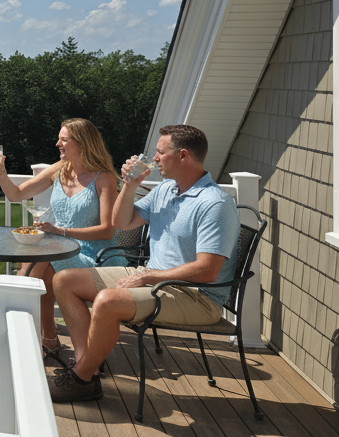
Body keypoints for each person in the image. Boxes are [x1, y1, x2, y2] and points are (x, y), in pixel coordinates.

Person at [47, 124, 240, 403]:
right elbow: (121, 222)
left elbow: (207, 270)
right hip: (154, 279)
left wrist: (149, 277)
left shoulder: (214, 204)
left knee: (107, 301)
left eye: (161, 152)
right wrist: (130, 184)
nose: (156, 158)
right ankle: (86, 364)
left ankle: (81, 378)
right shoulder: (166, 190)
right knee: (65, 280)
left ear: (183, 155)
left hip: (195, 296)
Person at [0, 118, 124, 354]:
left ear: (82, 143)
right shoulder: (60, 169)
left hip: (97, 256)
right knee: (42, 266)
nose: (57, 143)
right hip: (61, 248)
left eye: (63, 139)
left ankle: (13, 319)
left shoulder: (104, 178)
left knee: (38, 258)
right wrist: (1, 171)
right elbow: (16, 194)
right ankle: (47, 338)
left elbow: (107, 230)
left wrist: (59, 231)